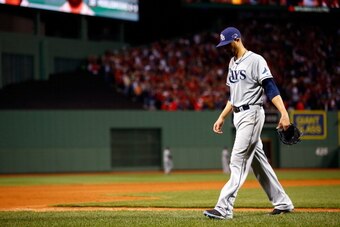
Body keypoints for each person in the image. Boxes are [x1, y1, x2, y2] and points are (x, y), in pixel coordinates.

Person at [203, 27, 294, 220]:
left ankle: (224, 208)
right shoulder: (232, 63)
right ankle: (283, 202)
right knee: (259, 162)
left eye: (227, 44)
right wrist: (222, 117)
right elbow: (233, 96)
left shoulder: (256, 60)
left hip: (252, 113)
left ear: (237, 39)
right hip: (238, 115)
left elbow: (270, 87)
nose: (225, 48)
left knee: (237, 160)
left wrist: (284, 113)